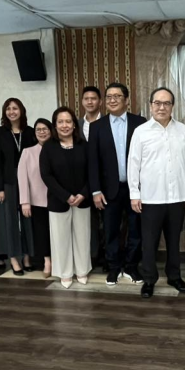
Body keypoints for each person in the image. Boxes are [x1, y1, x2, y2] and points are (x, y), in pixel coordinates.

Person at [128, 87, 185, 299]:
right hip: (150, 197)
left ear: (172, 106)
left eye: (166, 103)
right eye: (157, 103)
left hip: (177, 197)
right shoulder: (141, 131)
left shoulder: (182, 130)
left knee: (174, 240)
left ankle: (174, 276)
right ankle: (149, 279)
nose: (162, 107)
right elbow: (133, 164)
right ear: (151, 105)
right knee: (149, 242)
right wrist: (134, 193)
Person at [88, 82, 147, 285]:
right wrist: (95, 190)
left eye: (118, 96)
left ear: (126, 100)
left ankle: (131, 266)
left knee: (136, 229)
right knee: (110, 230)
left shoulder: (140, 123)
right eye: (109, 96)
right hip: (108, 190)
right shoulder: (97, 127)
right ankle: (113, 267)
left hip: (135, 190)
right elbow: (93, 161)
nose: (113, 100)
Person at [40, 107, 91, 288]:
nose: (65, 125)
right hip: (58, 200)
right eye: (60, 122)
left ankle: (82, 270)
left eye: (68, 121)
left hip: (82, 200)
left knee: (82, 237)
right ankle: (65, 273)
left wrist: (82, 194)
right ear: (55, 125)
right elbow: (46, 175)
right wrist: (66, 196)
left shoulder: (84, 145)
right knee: (60, 239)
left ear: (74, 124)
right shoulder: (48, 147)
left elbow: (91, 173)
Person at [0, 98, 37, 275]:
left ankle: (27, 256)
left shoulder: (31, 131)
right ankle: (13, 258)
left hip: (29, 182)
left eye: (15, 108)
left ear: (21, 110)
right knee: (9, 221)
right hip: (8, 182)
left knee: (28, 219)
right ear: (5, 112)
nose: (12, 112)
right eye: (8, 109)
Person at [19, 118, 53, 278]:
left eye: (45, 128)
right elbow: (22, 178)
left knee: (57, 233)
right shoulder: (28, 152)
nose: (42, 132)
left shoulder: (57, 148)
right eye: (38, 129)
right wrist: (25, 201)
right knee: (42, 233)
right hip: (37, 200)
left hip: (57, 199)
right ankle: (47, 261)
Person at [78, 85, 105, 271]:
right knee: (89, 222)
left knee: (110, 222)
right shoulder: (76, 125)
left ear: (100, 102)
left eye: (93, 98)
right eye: (86, 98)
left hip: (106, 181)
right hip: (82, 182)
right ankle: (92, 256)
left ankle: (107, 257)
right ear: (82, 102)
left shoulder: (108, 123)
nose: (90, 101)